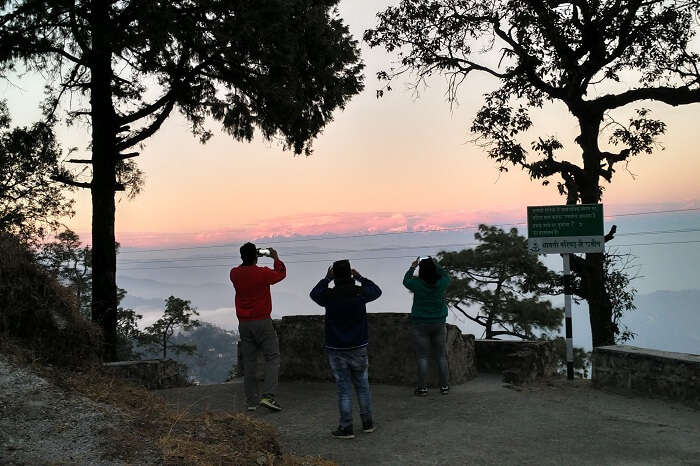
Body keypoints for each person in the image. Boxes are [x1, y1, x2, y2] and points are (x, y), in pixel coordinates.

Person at [310, 259, 382, 439]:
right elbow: (377, 291)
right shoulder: (359, 293)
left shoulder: (329, 295)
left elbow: (314, 293)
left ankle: (346, 427)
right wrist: (361, 278)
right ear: (350, 273)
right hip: (358, 346)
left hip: (336, 347)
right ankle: (368, 423)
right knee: (363, 386)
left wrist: (326, 279)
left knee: (344, 389)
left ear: (334, 274)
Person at [230, 242, 286, 411]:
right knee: (272, 357)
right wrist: (275, 257)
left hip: (244, 324)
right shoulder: (262, 273)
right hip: (262, 321)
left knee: (249, 362)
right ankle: (268, 397)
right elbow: (280, 274)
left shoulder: (234, 273)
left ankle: (251, 401)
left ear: (241, 256)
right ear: (256, 256)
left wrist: (251, 258)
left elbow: (244, 268)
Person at [402, 256, 451, 396]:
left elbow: (405, 281)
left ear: (421, 270)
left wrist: (412, 267)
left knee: (422, 357)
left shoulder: (417, 283)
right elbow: (446, 276)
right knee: (441, 356)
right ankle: (444, 387)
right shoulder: (441, 283)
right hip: (439, 322)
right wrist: (437, 265)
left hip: (420, 323)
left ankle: (422, 388)